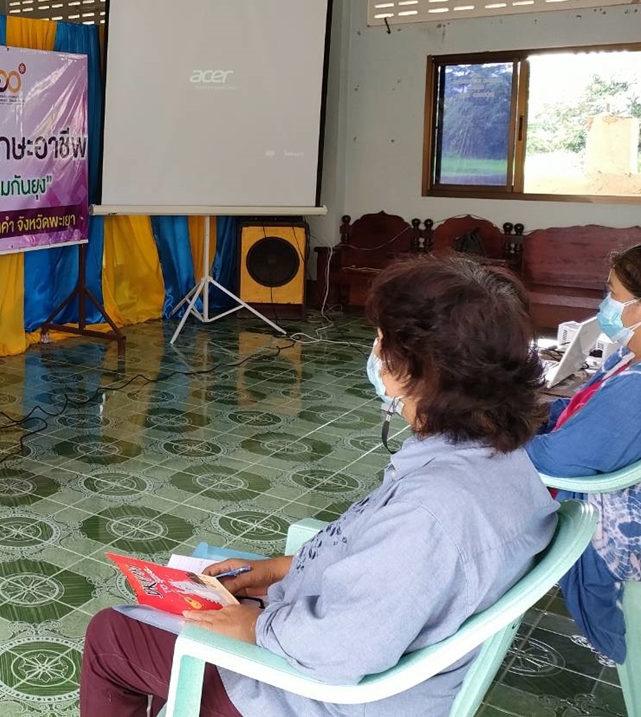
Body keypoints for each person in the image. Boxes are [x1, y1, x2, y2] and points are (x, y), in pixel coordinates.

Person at [81, 255, 558, 717]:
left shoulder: (430, 514)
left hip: (312, 696)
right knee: (192, 607)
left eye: (381, 342)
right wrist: (274, 571)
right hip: (365, 652)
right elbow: (393, 573)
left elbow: (342, 649)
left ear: (416, 372)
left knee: (114, 634)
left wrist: (256, 625)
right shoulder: (504, 463)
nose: (373, 354)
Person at [526, 243, 641, 664]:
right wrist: (531, 413)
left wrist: (496, 430)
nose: (605, 303)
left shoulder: (635, 391)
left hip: (608, 518)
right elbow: (571, 411)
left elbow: (551, 460)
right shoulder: (630, 361)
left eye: (613, 292)